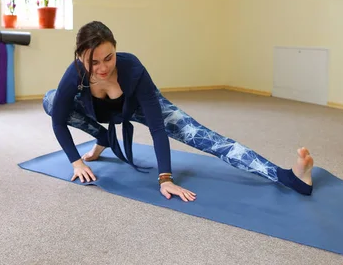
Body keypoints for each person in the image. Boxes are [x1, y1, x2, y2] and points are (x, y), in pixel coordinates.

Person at [42, 21, 314, 202]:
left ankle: (288, 176)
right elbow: (58, 122)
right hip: (100, 117)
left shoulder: (132, 68)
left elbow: (158, 129)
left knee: (205, 137)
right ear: (80, 57)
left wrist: (166, 178)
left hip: (138, 107)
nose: (103, 68)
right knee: (51, 101)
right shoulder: (74, 74)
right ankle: (104, 138)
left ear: (116, 49)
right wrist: (76, 162)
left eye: (109, 57)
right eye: (94, 62)